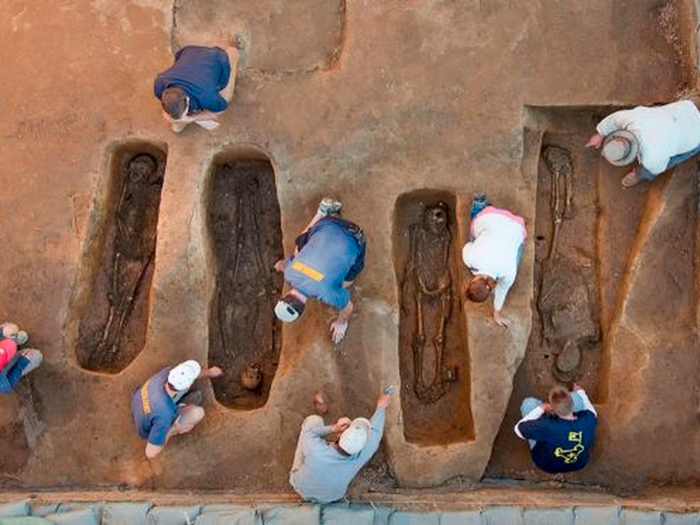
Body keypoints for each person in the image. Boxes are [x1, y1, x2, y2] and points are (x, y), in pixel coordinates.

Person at [274, 198, 366, 344]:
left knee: (346, 284)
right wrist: (281, 265)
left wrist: (341, 323)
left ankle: (324, 213)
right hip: (326, 224)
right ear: (285, 296)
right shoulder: (289, 273)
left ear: (302, 309)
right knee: (298, 250)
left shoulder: (327, 294)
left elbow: (348, 307)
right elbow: (285, 264)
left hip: (355, 235)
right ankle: (322, 212)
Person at [289, 389, 392, 503]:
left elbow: (309, 432)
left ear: (340, 436)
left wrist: (334, 428)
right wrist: (381, 406)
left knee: (313, 421)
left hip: (302, 489)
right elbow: (376, 433)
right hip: (332, 497)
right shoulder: (362, 455)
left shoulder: (315, 449)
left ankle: (298, 475)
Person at [586, 99, 700, 188]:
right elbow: (613, 120)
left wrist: (640, 172)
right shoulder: (631, 118)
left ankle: (638, 176)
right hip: (687, 108)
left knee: (663, 163)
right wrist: (600, 134)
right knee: (653, 111)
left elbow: (657, 169)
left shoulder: (651, 157)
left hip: (696, 134)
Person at [131, 360, 222, 458]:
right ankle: (179, 411)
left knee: (196, 396)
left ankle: (180, 404)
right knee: (197, 413)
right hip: (148, 428)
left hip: (139, 403)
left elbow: (190, 375)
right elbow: (150, 453)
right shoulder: (164, 416)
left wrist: (209, 372)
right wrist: (174, 429)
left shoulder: (167, 372)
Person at [462, 193, 526, 328]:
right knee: (473, 237)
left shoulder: (508, 273)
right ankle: (479, 205)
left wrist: (497, 313)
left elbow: (502, 290)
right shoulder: (471, 259)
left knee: (515, 251)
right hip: (492, 217)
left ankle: (480, 205)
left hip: (518, 226)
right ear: (473, 281)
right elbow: (467, 247)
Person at [153, 39, 241, 133]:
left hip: (216, 57)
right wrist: (182, 118)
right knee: (176, 121)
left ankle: (233, 51)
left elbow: (217, 113)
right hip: (189, 52)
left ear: (187, 100)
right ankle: (180, 120)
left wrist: (190, 119)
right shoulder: (160, 82)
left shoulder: (206, 96)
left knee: (226, 97)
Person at [514, 383, 597, 474]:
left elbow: (518, 429)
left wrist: (542, 408)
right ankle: (571, 399)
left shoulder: (546, 426)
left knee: (529, 403)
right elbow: (592, 411)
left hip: (547, 465)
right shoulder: (588, 419)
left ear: (553, 410)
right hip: (579, 463)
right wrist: (580, 391)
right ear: (572, 405)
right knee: (578, 398)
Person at [0, 322, 43, 394]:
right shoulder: (2, 385)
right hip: (6, 369)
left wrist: (2, 331)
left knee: (12, 331)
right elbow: (11, 380)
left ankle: (16, 339)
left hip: (3, 346)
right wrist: (23, 362)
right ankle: (15, 341)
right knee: (37, 356)